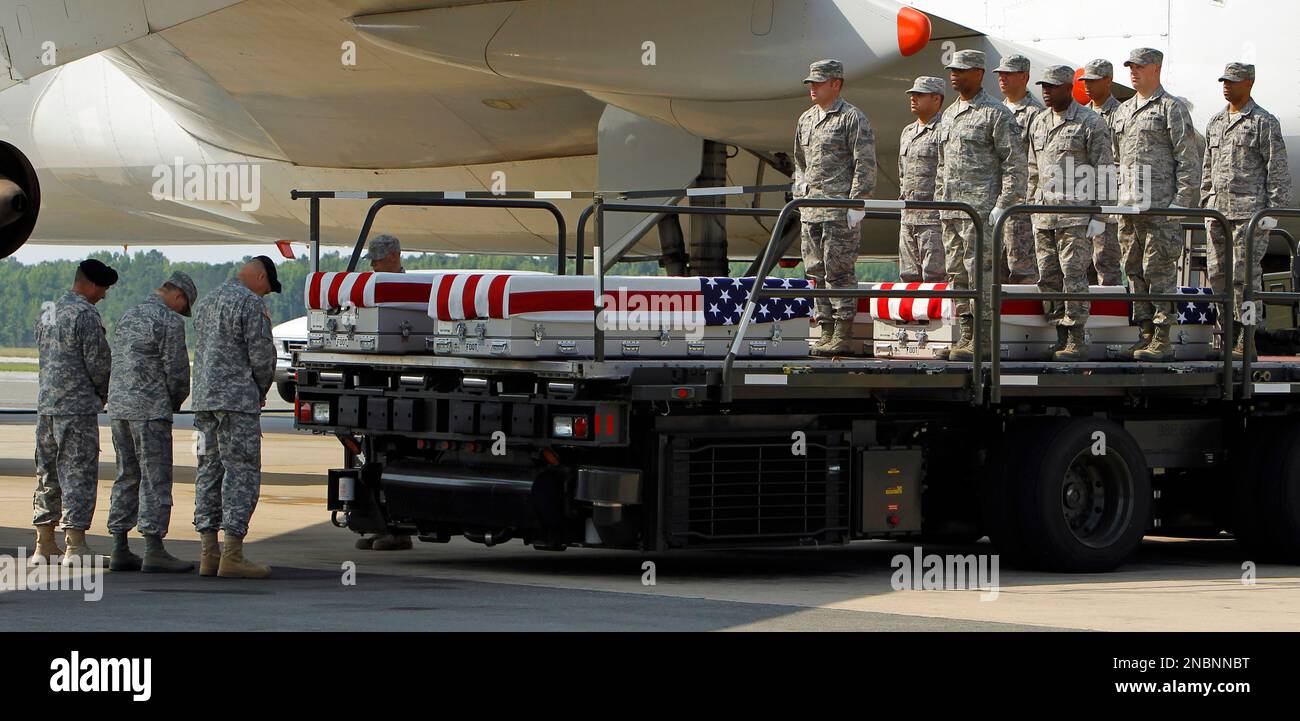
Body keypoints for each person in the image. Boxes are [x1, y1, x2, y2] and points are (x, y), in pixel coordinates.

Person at [933, 49, 1027, 361]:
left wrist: (1003, 205)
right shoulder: (949, 113)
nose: (954, 75)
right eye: (952, 70)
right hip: (953, 212)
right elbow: (943, 165)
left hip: (982, 214)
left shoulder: (996, 114)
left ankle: (984, 338)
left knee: (981, 275)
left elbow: (1016, 166)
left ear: (978, 73)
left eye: (961, 70)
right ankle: (966, 335)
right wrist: (940, 202)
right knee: (957, 274)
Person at [191, 257, 280, 578]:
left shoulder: (208, 301)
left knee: (208, 471)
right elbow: (261, 355)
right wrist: (260, 389)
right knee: (241, 473)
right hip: (236, 402)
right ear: (258, 276)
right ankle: (232, 554)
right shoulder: (250, 303)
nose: (265, 294)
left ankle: (208, 553)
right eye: (267, 287)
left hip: (203, 402)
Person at [1111, 48, 1202, 361]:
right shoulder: (1122, 112)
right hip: (1128, 208)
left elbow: (1187, 158)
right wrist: (1114, 201)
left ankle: (1162, 337)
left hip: (1161, 208)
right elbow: (1114, 158)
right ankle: (1145, 333)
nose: (1133, 72)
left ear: (1156, 68)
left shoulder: (1171, 108)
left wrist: (1181, 203)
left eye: (1140, 67)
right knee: (1134, 270)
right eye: (1131, 67)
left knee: (1159, 271)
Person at [105, 271, 197, 573]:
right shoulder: (169, 321)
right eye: (182, 307)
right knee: (155, 478)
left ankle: (119, 546)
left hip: (119, 409)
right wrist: (171, 402)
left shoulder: (128, 314)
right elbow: (177, 372)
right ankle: (153, 548)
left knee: (126, 475)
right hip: (149, 411)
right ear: (178, 296)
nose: (180, 313)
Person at [1200, 62, 1292, 360]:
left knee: (1245, 278)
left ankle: (1246, 338)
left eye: (1234, 81)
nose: (1227, 86)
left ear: (1249, 83)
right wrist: (1205, 203)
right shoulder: (1215, 122)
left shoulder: (1263, 122)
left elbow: (1277, 170)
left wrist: (1271, 214)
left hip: (1249, 216)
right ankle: (1227, 337)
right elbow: (1207, 169)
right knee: (1217, 277)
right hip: (1218, 216)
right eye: (1224, 81)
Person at [32, 259, 117, 566]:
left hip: (47, 408)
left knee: (47, 474)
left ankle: (43, 544)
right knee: (78, 474)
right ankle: (75, 545)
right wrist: (107, 394)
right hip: (77, 410)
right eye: (103, 289)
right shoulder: (85, 314)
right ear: (91, 285)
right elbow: (99, 364)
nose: (104, 295)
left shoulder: (48, 312)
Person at [1027, 66, 1115, 361]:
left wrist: (1100, 216)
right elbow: (1032, 170)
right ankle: (1059, 335)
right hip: (1043, 217)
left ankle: (1076, 337)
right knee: (1048, 278)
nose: (1046, 92)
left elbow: (1104, 171)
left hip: (1075, 218)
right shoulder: (1039, 122)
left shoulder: (1090, 123)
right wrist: (1029, 207)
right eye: (1044, 87)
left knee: (1074, 277)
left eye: (1053, 87)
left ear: (1068, 88)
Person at [792, 58, 878, 357]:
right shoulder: (806, 119)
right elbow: (799, 162)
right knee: (815, 271)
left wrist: (857, 202)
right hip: (811, 211)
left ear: (836, 84)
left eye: (818, 82)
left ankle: (843, 332)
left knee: (839, 271)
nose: (813, 88)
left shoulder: (852, 118)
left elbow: (864, 163)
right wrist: (800, 190)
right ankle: (825, 328)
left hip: (840, 212)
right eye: (811, 83)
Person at [354, 233, 416, 552]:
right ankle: (381, 525)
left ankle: (398, 530)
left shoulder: (412, 289)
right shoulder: (375, 287)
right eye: (373, 259)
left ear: (394, 255)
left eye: (379, 258)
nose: (374, 264)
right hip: (378, 381)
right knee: (372, 457)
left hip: (400, 385)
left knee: (394, 457)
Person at [995, 54, 1045, 285]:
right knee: (995, 268)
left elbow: (1040, 163)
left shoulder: (1037, 115)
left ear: (1024, 77)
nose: (1002, 78)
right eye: (1000, 74)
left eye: (1008, 74)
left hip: (1022, 206)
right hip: (995, 202)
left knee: (1022, 269)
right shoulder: (995, 111)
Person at [1080, 59, 1126, 287]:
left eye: (1094, 81)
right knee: (1081, 264)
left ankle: (1108, 317)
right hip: (1081, 197)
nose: (1088, 85)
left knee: (1106, 261)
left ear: (1108, 81)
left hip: (1108, 199)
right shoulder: (1080, 115)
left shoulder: (1122, 114)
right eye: (1086, 81)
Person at [898, 76, 946, 283]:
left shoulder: (945, 130)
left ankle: (933, 317)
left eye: (920, 94)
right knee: (908, 278)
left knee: (934, 278)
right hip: (908, 218)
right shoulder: (907, 132)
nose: (913, 98)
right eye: (912, 94)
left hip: (933, 220)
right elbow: (902, 173)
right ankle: (911, 317)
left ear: (936, 98)